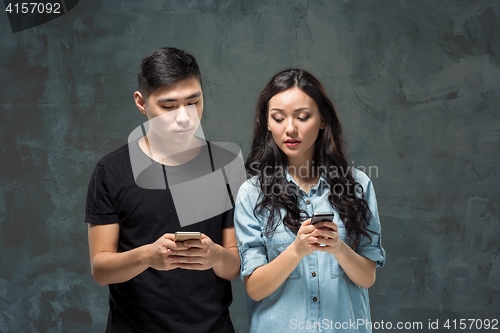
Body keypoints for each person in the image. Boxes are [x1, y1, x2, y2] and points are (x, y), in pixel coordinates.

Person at [85, 47, 240, 333]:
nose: (184, 117)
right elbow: (101, 269)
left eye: (194, 102)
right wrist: (147, 256)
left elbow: (233, 265)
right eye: (168, 107)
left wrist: (214, 256)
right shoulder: (111, 171)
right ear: (141, 103)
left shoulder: (224, 166)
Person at [234, 69, 386, 332]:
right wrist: (296, 251)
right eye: (278, 118)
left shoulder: (358, 186)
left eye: (303, 117)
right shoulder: (252, 194)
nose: (290, 128)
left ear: (323, 120)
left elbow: (367, 277)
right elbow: (255, 288)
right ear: (267, 123)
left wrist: (338, 248)